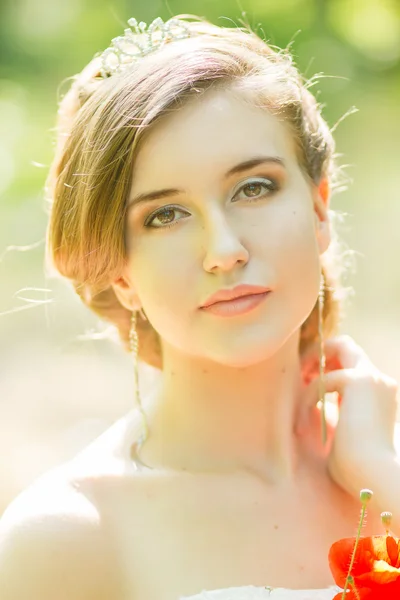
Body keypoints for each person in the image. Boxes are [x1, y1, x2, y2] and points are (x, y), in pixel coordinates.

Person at [0, 13, 398, 600]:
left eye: (254, 187)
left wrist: (382, 477)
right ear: (121, 273)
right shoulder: (67, 539)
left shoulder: (384, 454)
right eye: (165, 215)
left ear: (319, 208)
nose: (225, 251)